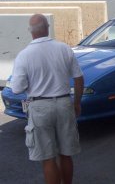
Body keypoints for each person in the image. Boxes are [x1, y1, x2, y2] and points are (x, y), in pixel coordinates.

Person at [11, 14, 84, 184]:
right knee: (66, 154)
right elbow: (79, 78)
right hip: (64, 103)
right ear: (48, 28)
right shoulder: (64, 48)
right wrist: (77, 103)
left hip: (40, 107)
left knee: (48, 158)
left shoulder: (24, 55)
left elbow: (17, 89)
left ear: (30, 32)